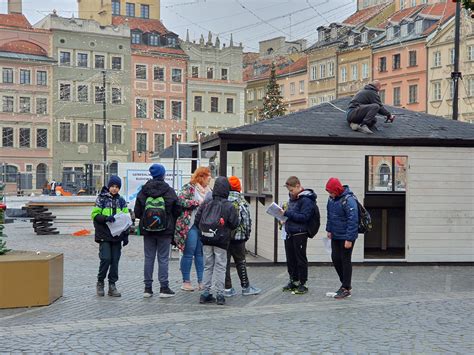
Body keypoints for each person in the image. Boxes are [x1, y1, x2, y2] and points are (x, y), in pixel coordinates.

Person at [134, 164, 180, 298]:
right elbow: (177, 209)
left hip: (148, 231)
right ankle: (164, 288)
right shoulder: (169, 190)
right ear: (163, 174)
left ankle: (147, 289)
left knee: (149, 258)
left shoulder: (144, 191)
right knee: (163, 259)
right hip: (165, 231)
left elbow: (137, 212)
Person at [195, 177, 239, 305]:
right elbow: (234, 223)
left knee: (208, 266)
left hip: (206, 238)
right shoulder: (228, 205)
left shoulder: (207, 202)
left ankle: (205, 293)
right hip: (221, 240)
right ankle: (220, 294)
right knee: (220, 267)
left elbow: (198, 219)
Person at [174, 167, 212, 291]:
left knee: (200, 254)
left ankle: (202, 281)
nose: (210, 178)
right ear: (201, 177)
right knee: (189, 252)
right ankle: (186, 282)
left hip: (202, 225)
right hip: (189, 225)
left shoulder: (209, 191)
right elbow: (180, 201)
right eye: (208, 176)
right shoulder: (189, 187)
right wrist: (196, 202)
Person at [91, 175, 129, 297]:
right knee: (106, 258)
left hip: (117, 236)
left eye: (117, 187)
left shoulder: (122, 201)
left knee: (115, 260)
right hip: (104, 234)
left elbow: (126, 219)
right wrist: (106, 218)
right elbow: (94, 215)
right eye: (112, 186)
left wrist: (126, 235)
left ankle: (112, 285)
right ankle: (100, 282)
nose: (114, 189)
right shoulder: (101, 199)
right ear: (109, 186)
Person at [224, 176, 261, 297]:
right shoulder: (241, 201)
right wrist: (247, 234)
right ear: (239, 188)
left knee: (225, 263)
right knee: (240, 261)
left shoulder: (223, 200)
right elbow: (246, 221)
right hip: (238, 238)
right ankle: (245, 287)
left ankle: (227, 288)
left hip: (224, 237)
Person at [281, 176, 317, 295]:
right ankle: (294, 280)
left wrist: (287, 213)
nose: (290, 193)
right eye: (289, 191)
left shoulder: (306, 200)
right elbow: (291, 214)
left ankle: (303, 283)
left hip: (300, 232)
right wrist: (283, 218)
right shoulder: (292, 198)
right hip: (290, 231)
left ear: (298, 186)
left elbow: (304, 217)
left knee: (300, 258)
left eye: (291, 190)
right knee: (290, 258)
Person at [325, 177, 359, 299]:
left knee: (345, 260)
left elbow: (353, 220)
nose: (330, 194)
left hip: (346, 236)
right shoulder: (331, 199)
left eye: (332, 192)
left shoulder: (348, 200)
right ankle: (344, 283)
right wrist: (329, 229)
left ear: (337, 190)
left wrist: (349, 239)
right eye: (329, 192)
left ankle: (346, 287)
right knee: (335, 258)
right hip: (335, 234)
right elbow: (329, 215)